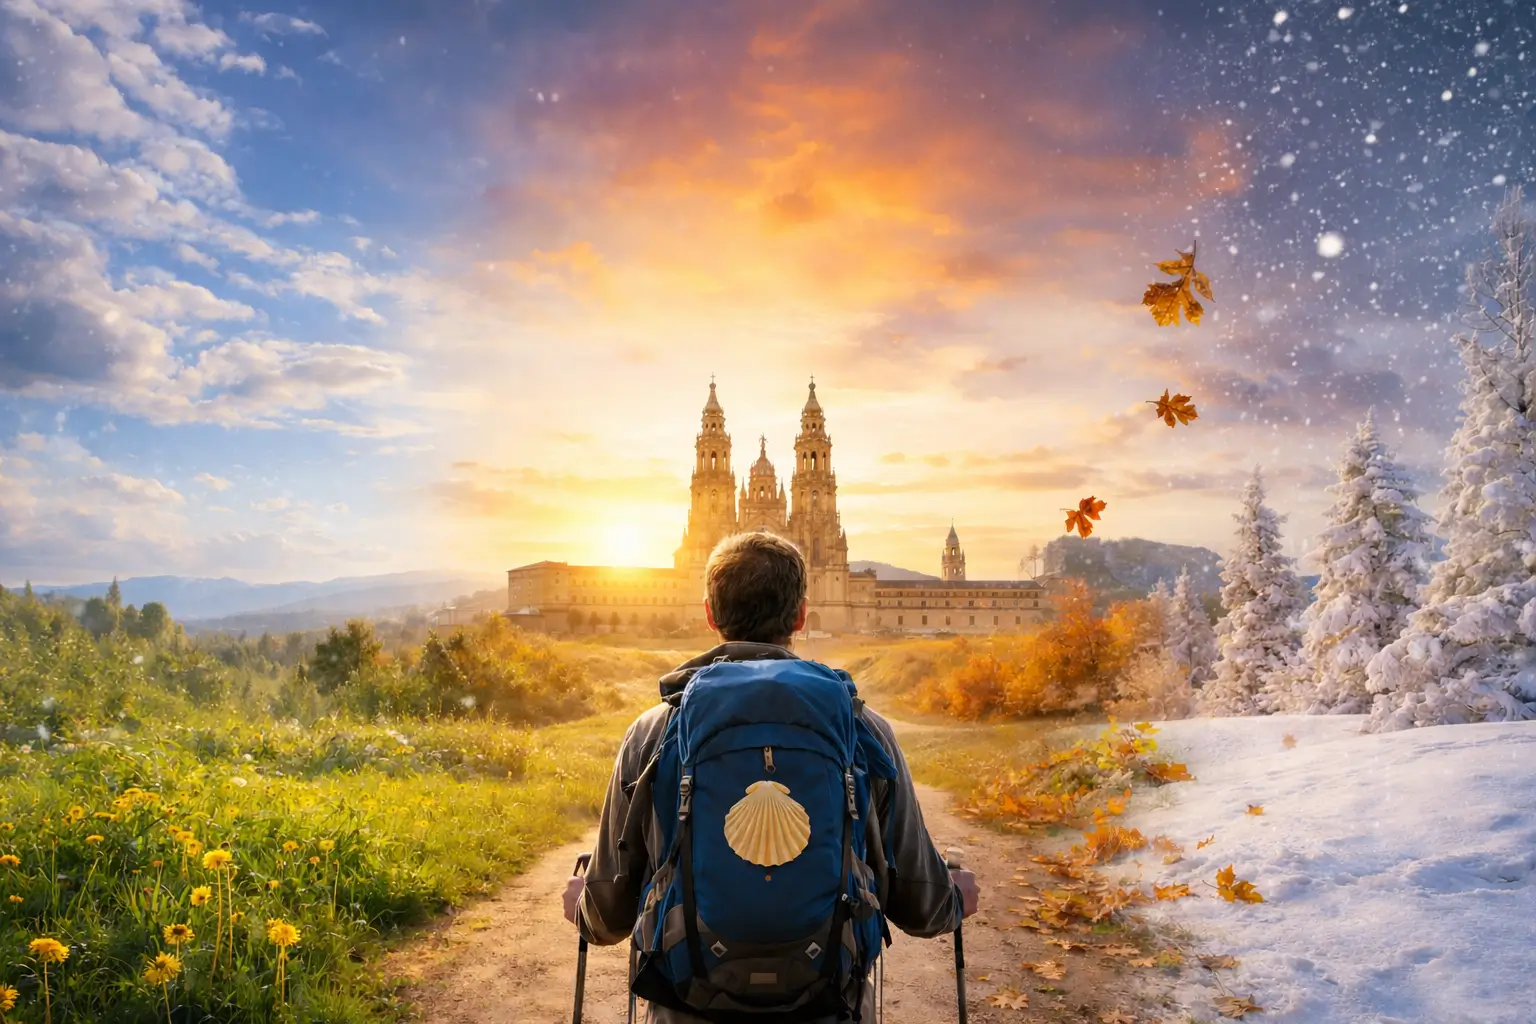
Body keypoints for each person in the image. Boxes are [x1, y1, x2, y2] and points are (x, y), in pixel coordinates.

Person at [561, 531, 980, 1022]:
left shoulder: (653, 733)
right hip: (830, 1003)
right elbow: (920, 904)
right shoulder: (861, 727)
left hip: (687, 1005)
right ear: (801, 614)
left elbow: (609, 918)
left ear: (710, 615)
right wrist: (954, 896)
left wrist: (583, 906)